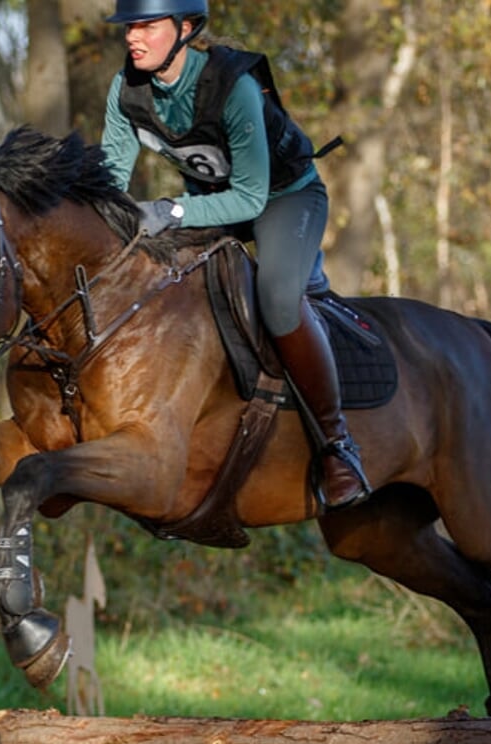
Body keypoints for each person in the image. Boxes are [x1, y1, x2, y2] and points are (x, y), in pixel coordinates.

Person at [100, 0, 371, 510]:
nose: (133, 37)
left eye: (146, 25)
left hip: (285, 198)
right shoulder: (126, 90)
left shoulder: (234, 86)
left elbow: (249, 198)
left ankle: (339, 446)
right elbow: (110, 181)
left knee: (275, 298)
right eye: (129, 27)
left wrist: (169, 211)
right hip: (213, 205)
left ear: (185, 28)